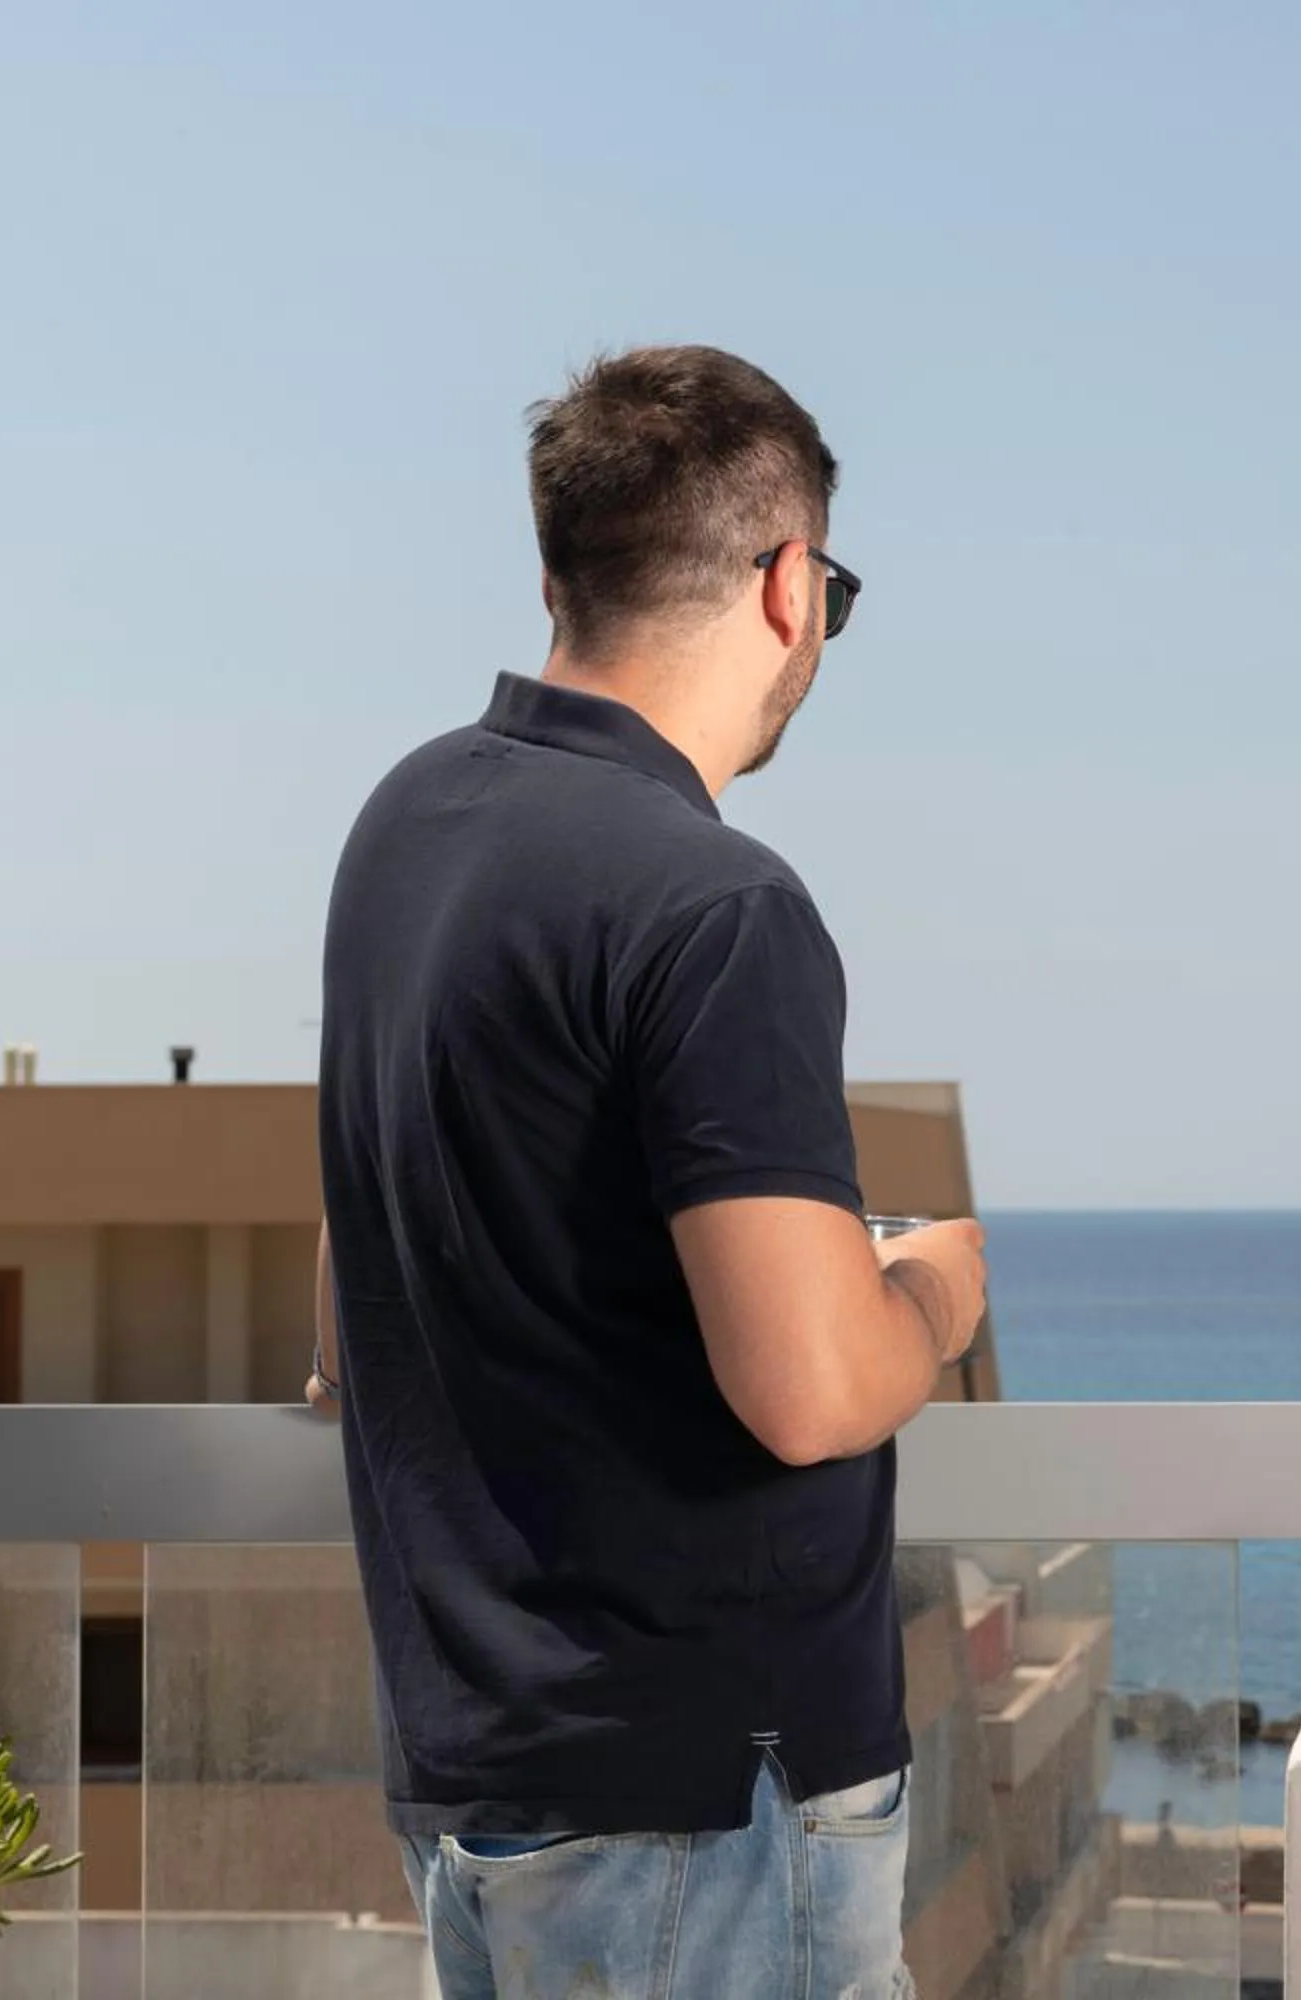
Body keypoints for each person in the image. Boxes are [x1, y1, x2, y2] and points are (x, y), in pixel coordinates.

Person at [310, 344, 985, 2000]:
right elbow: (813, 1391)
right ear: (788, 589)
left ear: (560, 573)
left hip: (482, 1774)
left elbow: (353, 1310)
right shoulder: (715, 905)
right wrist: (936, 1284)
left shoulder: (406, 827)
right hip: (702, 1807)